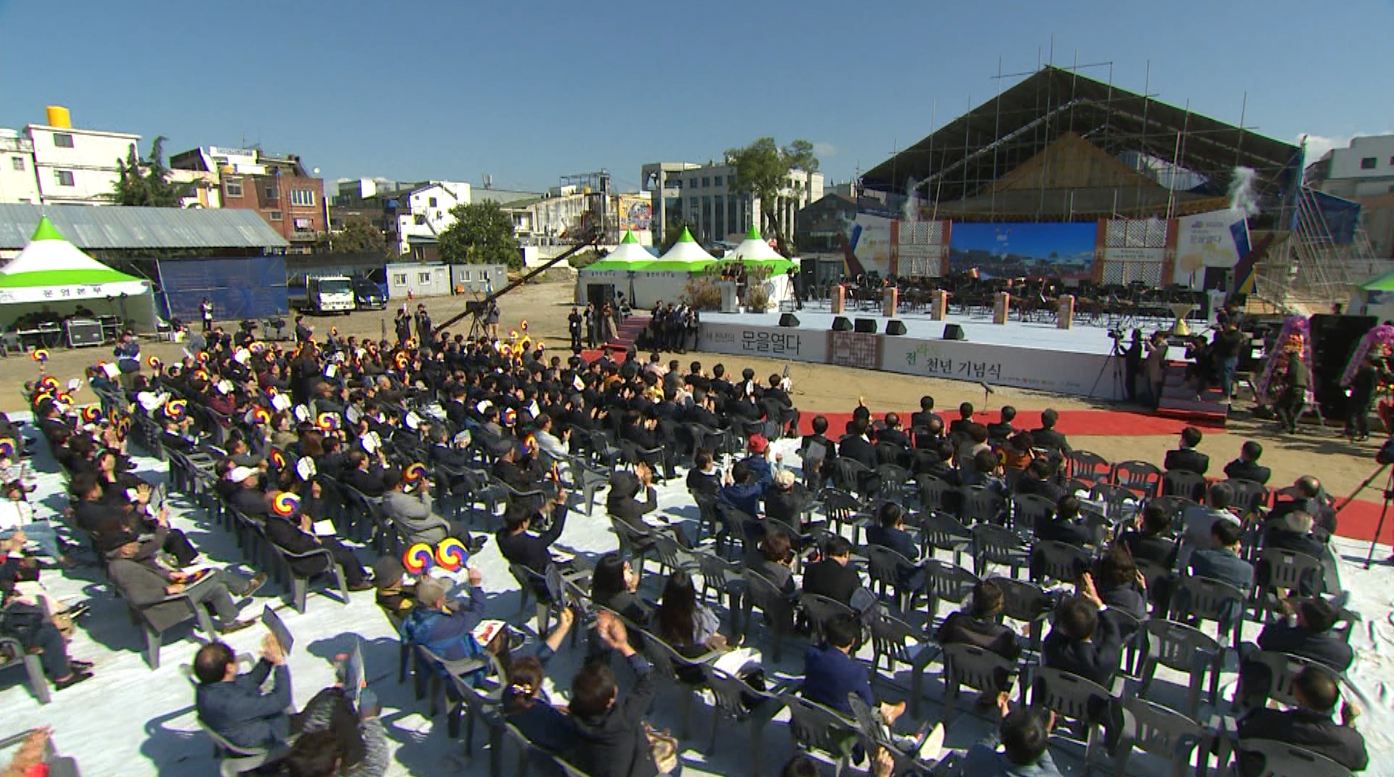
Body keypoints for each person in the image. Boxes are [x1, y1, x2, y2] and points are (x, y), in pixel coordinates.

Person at [568, 610, 662, 777]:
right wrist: (623, 645)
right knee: (674, 766)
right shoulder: (624, 718)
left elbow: (589, 676)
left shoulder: (575, 716)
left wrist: (600, 638)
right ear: (611, 700)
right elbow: (647, 680)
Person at [106, 535, 262, 635]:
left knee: (217, 587)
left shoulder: (120, 564)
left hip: (171, 595)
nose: (138, 546)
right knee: (215, 573)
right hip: (169, 605)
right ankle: (245, 587)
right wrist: (167, 589)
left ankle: (230, 622)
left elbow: (148, 577)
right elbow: (138, 597)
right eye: (134, 544)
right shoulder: (123, 568)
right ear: (125, 550)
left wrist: (169, 575)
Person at [1236, 666, 1367, 775]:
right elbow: (1360, 764)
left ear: (1299, 697)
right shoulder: (1351, 742)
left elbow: (1240, 736)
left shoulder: (1265, 720)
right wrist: (1349, 724)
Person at [802, 612, 906, 724]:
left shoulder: (811, 655)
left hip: (812, 716)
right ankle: (887, 712)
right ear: (852, 642)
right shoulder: (856, 671)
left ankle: (887, 708)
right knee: (864, 696)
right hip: (842, 725)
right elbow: (868, 703)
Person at [380, 467, 484, 552]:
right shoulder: (400, 502)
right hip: (425, 533)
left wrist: (417, 491)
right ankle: (470, 545)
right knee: (459, 527)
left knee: (450, 524)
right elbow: (425, 511)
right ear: (398, 485)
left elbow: (408, 502)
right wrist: (425, 492)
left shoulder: (387, 499)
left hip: (414, 531)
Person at [1042, 582, 1124, 687]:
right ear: (1094, 628)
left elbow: (1058, 625)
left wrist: (1076, 603)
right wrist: (1099, 605)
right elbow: (1113, 634)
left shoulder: (1052, 647)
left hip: (1056, 697)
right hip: (1089, 702)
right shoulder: (1101, 662)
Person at [962, 700, 1063, 777]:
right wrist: (1043, 734)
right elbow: (1043, 755)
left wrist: (1002, 726)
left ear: (1003, 740)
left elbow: (984, 744)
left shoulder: (977, 757)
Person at [589, 553, 652, 624]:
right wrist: (633, 590)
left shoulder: (598, 590)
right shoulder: (630, 606)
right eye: (627, 571)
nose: (631, 574)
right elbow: (647, 619)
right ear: (618, 578)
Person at [802, 535, 862, 606]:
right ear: (846, 554)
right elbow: (858, 601)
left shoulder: (810, 569)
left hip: (814, 614)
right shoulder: (851, 576)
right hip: (840, 615)